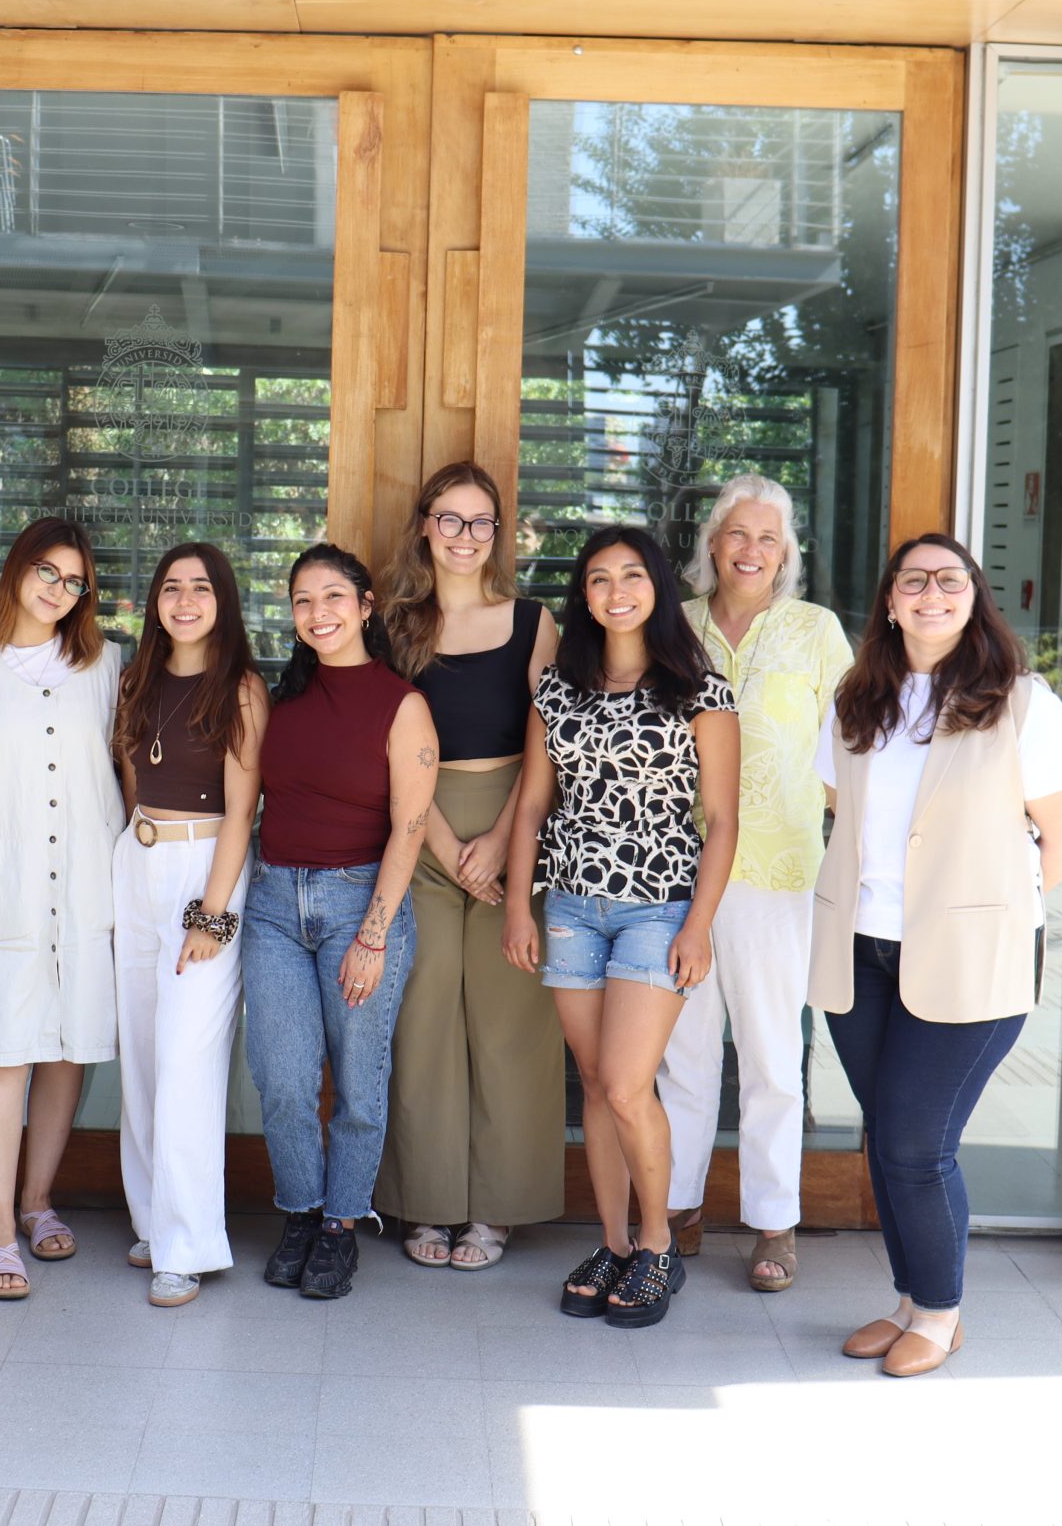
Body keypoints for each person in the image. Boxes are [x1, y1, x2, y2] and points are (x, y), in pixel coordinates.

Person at [814, 533, 1062, 1377]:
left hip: (970, 960)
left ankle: (941, 1311)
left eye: (950, 580)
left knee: (917, 1143)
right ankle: (909, 1300)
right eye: (914, 582)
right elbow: (840, 802)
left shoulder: (1022, 702)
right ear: (890, 602)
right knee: (886, 1136)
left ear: (973, 597)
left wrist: (1003, 911)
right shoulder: (859, 697)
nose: (932, 594)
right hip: (862, 950)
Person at [504, 527, 738, 1330]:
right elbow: (533, 806)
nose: (616, 591)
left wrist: (699, 924)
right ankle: (611, 1243)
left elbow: (721, 820)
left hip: (660, 908)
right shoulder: (556, 691)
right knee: (598, 1085)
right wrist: (515, 904)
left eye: (632, 575)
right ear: (586, 596)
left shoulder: (701, 690)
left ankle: (656, 1243)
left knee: (631, 1082)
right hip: (571, 907)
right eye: (599, 579)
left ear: (658, 588)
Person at [657, 474, 853, 1291]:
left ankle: (774, 1223)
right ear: (712, 542)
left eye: (768, 538)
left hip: (777, 874)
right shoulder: (678, 628)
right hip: (676, 870)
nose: (751, 550)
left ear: (787, 552)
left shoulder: (816, 632)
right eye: (738, 534)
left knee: (773, 1055)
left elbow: (853, 750)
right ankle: (676, 1206)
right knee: (682, 1052)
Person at [375, 463, 564, 1271]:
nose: (463, 536)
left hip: (513, 825)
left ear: (500, 532)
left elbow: (548, 735)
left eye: (480, 521)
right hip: (416, 829)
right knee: (421, 1018)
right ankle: (426, 1201)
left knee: (510, 1020)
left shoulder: (532, 619)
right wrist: (447, 844)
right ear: (425, 526)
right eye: (449, 520)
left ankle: (497, 1208)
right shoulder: (388, 624)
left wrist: (501, 841)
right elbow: (380, 744)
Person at [243, 543, 439, 1301]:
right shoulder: (279, 698)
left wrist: (373, 934)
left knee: (359, 1079)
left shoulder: (401, 704)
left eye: (333, 597)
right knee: (285, 1077)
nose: (317, 613)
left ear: (364, 607)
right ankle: (300, 1210)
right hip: (271, 907)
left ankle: (340, 1225)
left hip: (364, 903)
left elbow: (411, 826)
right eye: (302, 600)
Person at [0, 519, 126, 1300]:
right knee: (3, 1053)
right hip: (3, 883)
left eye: (75, 581)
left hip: (89, 882)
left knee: (66, 1051)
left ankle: (37, 1199)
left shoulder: (106, 664)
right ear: (17, 567)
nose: (59, 589)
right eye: (47, 572)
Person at [111, 543, 269, 1308]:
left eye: (200, 588)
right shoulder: (135, 677)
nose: (183, 600)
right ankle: (151, 1220)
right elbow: (131, 778)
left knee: (184, 1059)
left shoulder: (239, 688)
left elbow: (242, 811)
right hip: (136, 863)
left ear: (222, 601)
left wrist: (211, 912)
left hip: (204, 869)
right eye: (169, 586)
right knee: (141, 1054)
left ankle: (189, 1244)